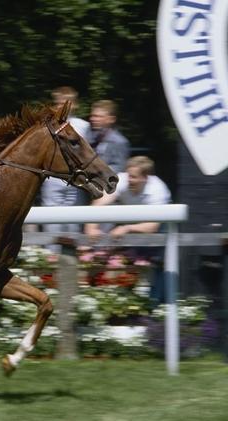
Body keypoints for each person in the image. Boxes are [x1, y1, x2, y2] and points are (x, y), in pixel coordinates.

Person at [85, 156, 171, 304]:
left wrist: (126, 228)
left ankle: (156, 306)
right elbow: (99, 203)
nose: (129, 179)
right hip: (130, 223)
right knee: (120, 261)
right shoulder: (121, 180)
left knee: (157, 265)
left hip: (158, 228)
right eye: (128, 175)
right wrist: (90, 227)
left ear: (146, 178)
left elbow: (152, 226)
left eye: (134, 177)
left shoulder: (158, 190)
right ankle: (125, 303)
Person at [41, 86, 91, 236]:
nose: (61, 106)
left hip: (75, 180)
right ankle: (50, 255)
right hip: (53, 179)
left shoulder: (83, 126)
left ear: (74, 104)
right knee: (51, 221)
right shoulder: (47, 125)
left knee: (74, 222)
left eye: (66, 103)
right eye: (58, 103)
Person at [87, 100, 129, 174]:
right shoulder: (89, 137)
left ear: (111, 119)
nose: (92, 119)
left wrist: (97, 169)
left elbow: (120, 167)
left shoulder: (119, 142)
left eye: (98, 116)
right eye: (92, 116)